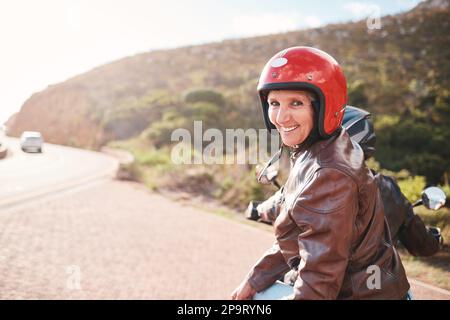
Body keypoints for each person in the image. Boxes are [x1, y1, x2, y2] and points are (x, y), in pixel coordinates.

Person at [230, 46, 410, 300]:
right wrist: (254, 278)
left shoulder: (330, 173)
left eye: (296, 103)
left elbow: (320, 277)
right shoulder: (321, 147)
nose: (281, 116)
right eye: (274, 103)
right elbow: (302, 236)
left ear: (326, 106)